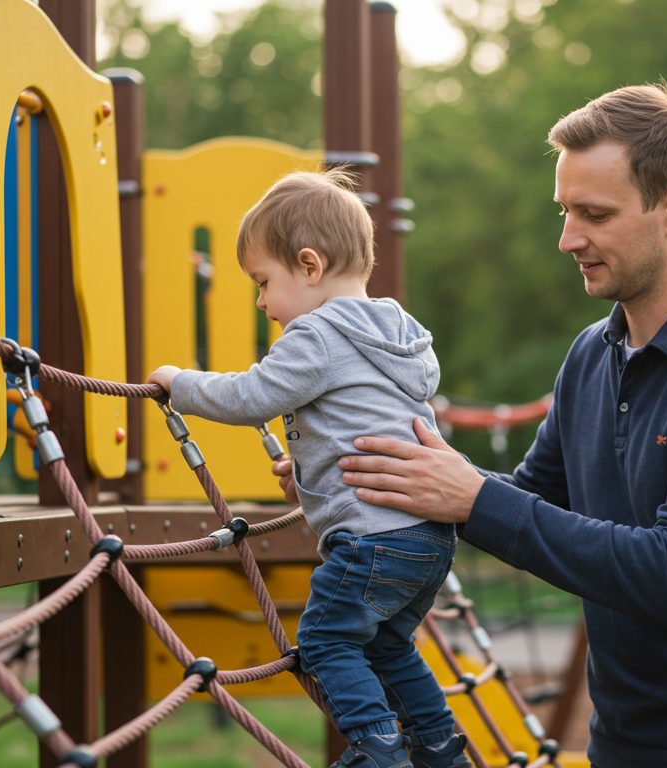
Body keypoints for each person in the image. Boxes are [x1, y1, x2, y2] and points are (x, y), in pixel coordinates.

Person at [303, 84, 667, 767]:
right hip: (620, 745)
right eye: (565, 211)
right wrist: (369, 471)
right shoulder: (593, 354)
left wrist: (469, 495)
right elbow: (529, 497)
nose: (568, 238)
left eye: (594, 214)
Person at [148, 170, 470, 768]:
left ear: (310, 266)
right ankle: (438, 745)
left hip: (371, 542)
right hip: (429, 537)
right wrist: (314, 474)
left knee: (324, 640)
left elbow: (250, 397)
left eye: (264, 282)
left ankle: (376, 749)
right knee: (391, 647)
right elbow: (367, 422)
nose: (263, 302)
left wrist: (179, 384)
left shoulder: (318, 333)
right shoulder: (396, 331)